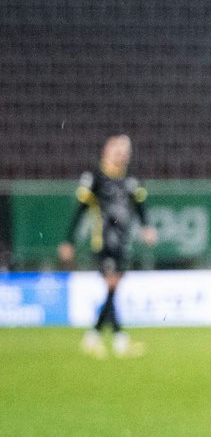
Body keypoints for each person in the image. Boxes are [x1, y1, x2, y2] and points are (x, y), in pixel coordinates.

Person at [57, 134, 156, 358]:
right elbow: (80, 210)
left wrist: (147, 227)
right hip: (103, 241)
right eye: (118, 149)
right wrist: (69, 240)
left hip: (123, 241)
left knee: (113, 288)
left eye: (126, 150)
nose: (122, 154)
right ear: (106, 151)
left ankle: (100, 337)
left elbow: (140, 206)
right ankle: (111, 339)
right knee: (112, 285)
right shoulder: (95, 178)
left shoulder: (132, 179)